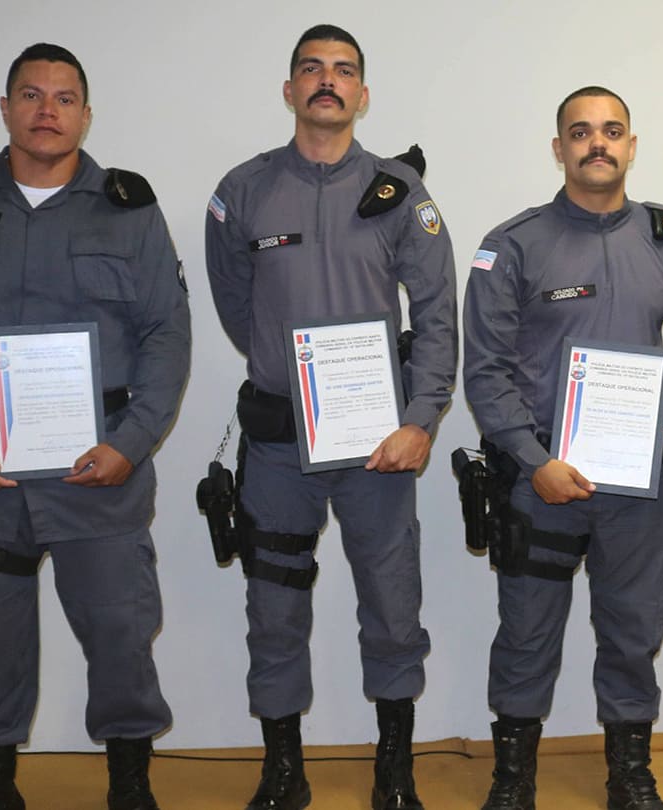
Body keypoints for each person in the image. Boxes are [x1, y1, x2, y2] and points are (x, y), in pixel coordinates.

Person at [0, 43, 190, 810]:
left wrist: (131, 444)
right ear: (5, 108)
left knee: (122, 637)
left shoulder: (130, 210)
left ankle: (129, 784)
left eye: (63, 98)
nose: (46, 110)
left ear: (86, 115)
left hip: (100, 473)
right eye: (30, 94)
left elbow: (167, 332)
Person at [204, 24, 456, 810]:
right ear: (289, 90)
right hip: (280, 446)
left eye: (343, 70)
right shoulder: (243, 191)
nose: (327, 80)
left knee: (392, 604)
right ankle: (284, 771)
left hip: (379, 444)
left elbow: (439, 315)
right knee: (273, 608)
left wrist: (420, 418)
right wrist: (285, 368)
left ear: (362, 94)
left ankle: (394, 770)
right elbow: (238, 305)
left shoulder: (398, 192)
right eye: (311, 68)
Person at [463, 85, 663, 810]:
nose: (597, 143)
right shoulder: (512, 245)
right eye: (581, 132)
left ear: (631, 145)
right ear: (559, 149)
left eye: (612, 131)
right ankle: (513, 780)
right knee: (527, 630)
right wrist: (533, 460)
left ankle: (629, 777)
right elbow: (485, 372)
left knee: (635, 627)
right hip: (541, 477)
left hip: (637, 480)